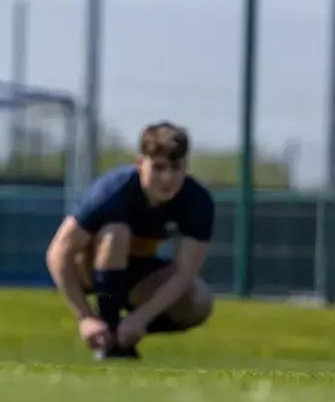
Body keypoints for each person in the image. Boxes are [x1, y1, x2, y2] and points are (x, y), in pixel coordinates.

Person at [44, 122, 215, 359]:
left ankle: (119, 335)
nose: (167, 178)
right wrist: (85, 317)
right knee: (116, 232)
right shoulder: (113, 191)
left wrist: (140, 318)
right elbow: (58, 252)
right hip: (91, 269)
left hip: (137, 273)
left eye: (176, 168)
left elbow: (185, 272)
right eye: (158, 167)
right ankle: (107, 334)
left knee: (200, 301)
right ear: (140, 163)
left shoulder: (197, 201)